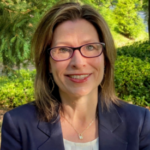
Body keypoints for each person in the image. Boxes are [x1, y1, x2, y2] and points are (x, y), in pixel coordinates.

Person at [1, 1, 150, 150]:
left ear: (105, 58)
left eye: (90, 47)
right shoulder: (18, 125)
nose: (78, 63)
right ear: (47, 64)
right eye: (63, 49)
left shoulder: (139, 123)